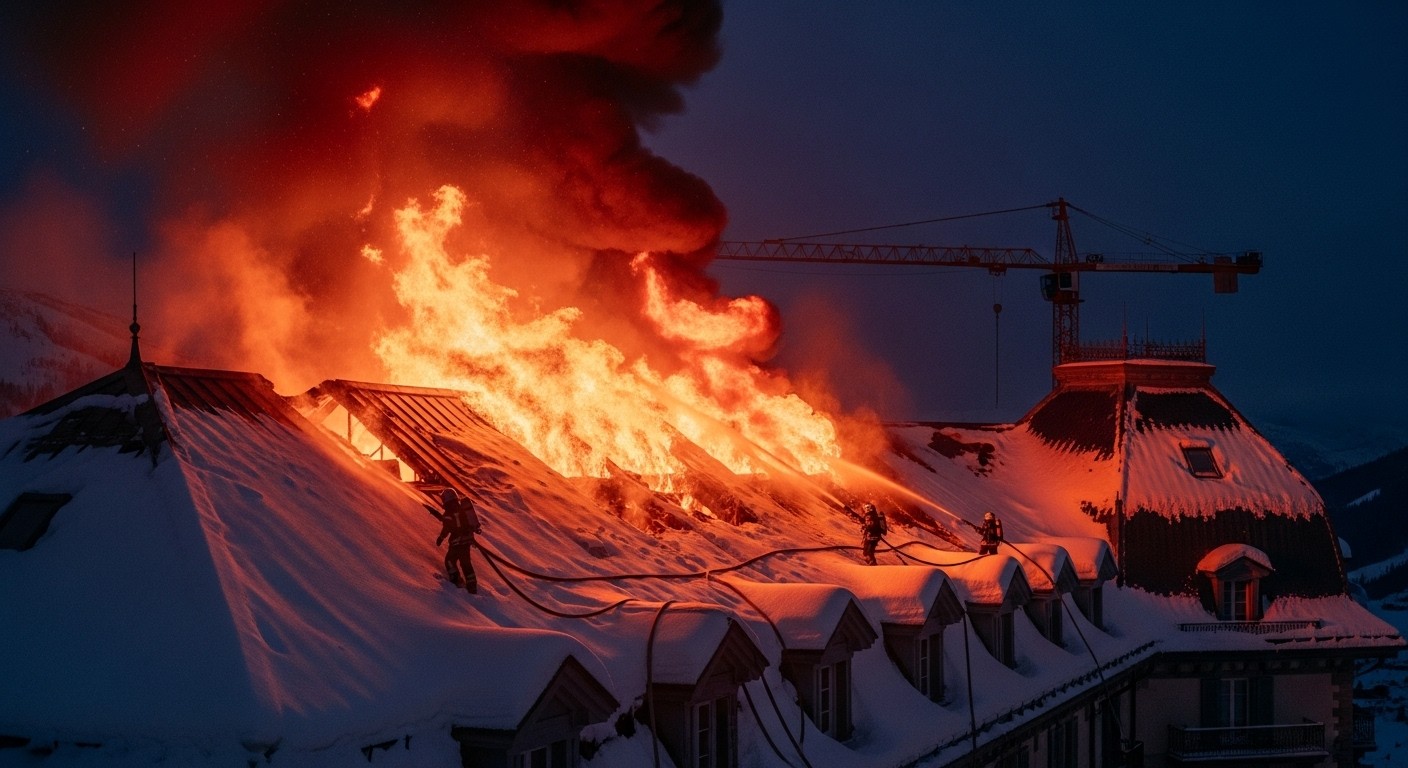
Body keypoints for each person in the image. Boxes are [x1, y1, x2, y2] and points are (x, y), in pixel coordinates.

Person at [435, 487, 482, 593]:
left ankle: (456, 581)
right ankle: (472, 586)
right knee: (466, 563)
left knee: (449, 561)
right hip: (466, 541)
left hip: (456, 543)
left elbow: (447, 528)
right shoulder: (462, 509)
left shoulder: (448, 513)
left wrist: (441, 538)